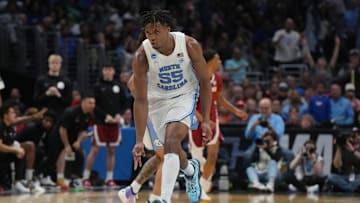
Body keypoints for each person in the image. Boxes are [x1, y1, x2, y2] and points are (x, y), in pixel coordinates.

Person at [129, 10, 212, 203]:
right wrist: (139, 140)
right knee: (171, 148)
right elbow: (140, 100)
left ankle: (163, 199)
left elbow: (205, 83)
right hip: (157, 100)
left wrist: (206, 120)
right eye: (148, 33)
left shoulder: (189, 45)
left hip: (184, 96)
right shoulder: (141, 55)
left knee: (172, 140)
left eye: (156, 32)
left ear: (168, 28)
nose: (152, 37)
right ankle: (191, 171)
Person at [189, 49, 248, 202]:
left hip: (213, 119)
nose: (220, 62)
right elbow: (189, 105)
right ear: (210, 61)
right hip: (196, 119)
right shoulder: (196, 77)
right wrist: (203, 121)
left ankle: (201, 188)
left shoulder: (218, 78)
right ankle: (198, 177)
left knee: (213, 155)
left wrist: (236, 111)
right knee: (197, 160)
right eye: (218, 59)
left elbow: (219, 99)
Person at [82, 64, 128, 189]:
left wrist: (119, 114)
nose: (108, 72)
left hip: (114, 124)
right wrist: (105, 116)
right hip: (101, 123)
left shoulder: (118, 86)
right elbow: (93, 105)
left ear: (113, 71)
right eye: (106, 70)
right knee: (95, 149)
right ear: (103, 71)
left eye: (110, 69)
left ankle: (109, 179)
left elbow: (125, 102)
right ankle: (85, 178)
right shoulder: (97, 87)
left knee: (112, 151)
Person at [42, 93, 95, 191]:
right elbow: (63, 129)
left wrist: (78, 141)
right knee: (54, 156)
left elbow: (82, 131)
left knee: (80, 155)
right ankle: (46, 177)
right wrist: (66, 145)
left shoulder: (88, 115)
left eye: (94, 103)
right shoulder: (71, 111)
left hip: (72, 138)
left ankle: (74, 179)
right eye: (90, 103)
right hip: (58, 136)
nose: (92, 105)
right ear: (83, 102)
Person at [0, 102, 47, 193]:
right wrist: (15, 149)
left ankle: (26, 181)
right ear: (5, 115)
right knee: (19, 150)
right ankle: (17, 182)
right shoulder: (1, 126)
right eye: (12, 112)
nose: (15, 114)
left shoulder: (10, 126)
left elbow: (21, 120)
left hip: (6, 155)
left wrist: (33, 117)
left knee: (28, 147)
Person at [327, 127, 360, 192]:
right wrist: (339, 147)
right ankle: (351, 188)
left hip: (358, 176)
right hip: (344, 177)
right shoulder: (343, 147)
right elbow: (337, 165)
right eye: (354, 135)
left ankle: (348, 188)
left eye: (358, 135)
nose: (356, 137)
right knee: (330, 177)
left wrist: (353, 150)